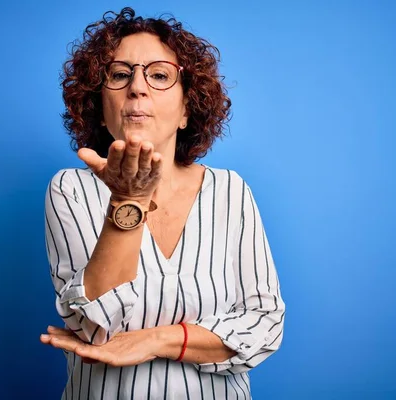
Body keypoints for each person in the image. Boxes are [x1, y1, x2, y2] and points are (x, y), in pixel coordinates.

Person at [40, 7, 285, 399]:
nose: (138, 87)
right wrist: (128, 199)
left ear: (188, 109)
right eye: (120, 74)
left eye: (159, 75)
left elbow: (264, 324)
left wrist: (155, 341)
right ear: (100, 107)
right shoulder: (70, 189)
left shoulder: (231, 191)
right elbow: (94, 326)